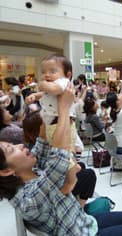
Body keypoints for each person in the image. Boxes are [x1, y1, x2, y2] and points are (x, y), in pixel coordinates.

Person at [0, 83, 122, 236]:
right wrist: (63, 110)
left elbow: (43, 136)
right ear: (6, 170)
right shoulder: (28, 200)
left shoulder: (31, 172)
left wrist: (47, 100)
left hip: (81, 221)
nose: (20, 146)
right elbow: (59, 158)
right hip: (80, 232)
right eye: (12, 149)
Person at [25, 54, 77, 194]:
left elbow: (55, 90)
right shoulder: (52, 85)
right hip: (51, 125)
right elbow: (48, 94)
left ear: (68, 74)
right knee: (55, 152)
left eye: (52, 71)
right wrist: (36, 95)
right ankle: (73, 167)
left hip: (60, 124)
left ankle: (72, 179)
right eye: (43, 72)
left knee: (62, 154)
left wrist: (41, 84)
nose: (47, 75)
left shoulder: (64, 82)